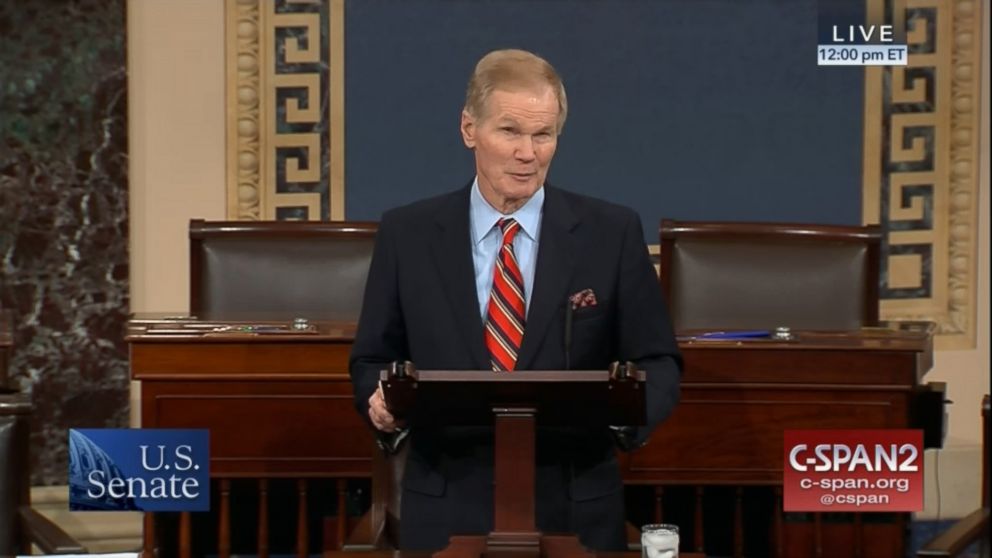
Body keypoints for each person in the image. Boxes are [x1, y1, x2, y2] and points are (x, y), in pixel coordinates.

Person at [349, 48, 682, 552]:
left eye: (542, 135)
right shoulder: (408, 234)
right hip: (445, 507)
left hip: (574, 505)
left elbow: (658, 362)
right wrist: (380, 403)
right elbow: (372, 358)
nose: (528, 153)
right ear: (468, 130)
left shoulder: (609, 233)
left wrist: (622, 414)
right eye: (509, 131)